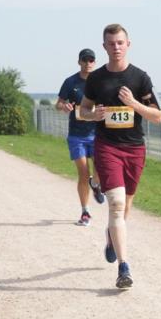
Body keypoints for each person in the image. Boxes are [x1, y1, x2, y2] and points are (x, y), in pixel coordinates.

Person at [80, 24, 161, 289]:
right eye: (111, 43)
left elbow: (158, 116)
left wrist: (134, 104)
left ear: (128, 44)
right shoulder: (96, 79)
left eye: (120, 42)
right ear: (104, 47)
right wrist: (95, 115)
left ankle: (111, 236)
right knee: (115, 203)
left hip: (134, 148)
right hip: (107, 147)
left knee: (125, 208)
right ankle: (124, 268)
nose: (116, 47)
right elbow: (82, 111)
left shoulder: (140, 78)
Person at [56, 48, 106, 225]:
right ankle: (85, 211)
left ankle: (97, 185)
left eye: (91, 60)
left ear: (95, 62)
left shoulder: (101, 81)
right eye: (85, 60)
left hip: (98, 134)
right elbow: (59, 103)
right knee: (83, 174)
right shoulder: (71, 82)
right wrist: (65, 107)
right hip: (77, 135)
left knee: (100, 172)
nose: (88, 63)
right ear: (79, 62)